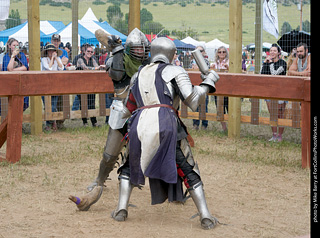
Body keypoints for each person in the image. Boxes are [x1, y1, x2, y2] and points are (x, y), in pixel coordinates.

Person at [110, 37, 220, 229]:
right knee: (187, 167)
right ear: (172, 54)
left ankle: (121, 208)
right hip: (166, 124)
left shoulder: (139, 73)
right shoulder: (175, 70)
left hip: (139, 124)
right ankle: (205, 215)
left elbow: (128, 107)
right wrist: (208, 82)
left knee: (129, 165)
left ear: (152, 52)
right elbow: (193, 100)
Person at [69, 28, 150, 211]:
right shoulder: (117, 59)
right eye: (136, 49)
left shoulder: (149, 64)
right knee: (109, 154)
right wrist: (117, 51)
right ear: (129, 49)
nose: (140, 52)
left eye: (142, 48)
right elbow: (117, 75)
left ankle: (162, 184)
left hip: (143, 110)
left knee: (148, 150)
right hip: (122, 109)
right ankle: (99, 179)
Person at [260, 43, 287, 142]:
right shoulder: (267, 62)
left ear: (278, 52)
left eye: (274, 51)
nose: (272, 52)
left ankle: (280, 135)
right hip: (269, 91)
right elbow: (262, 75)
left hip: (281, 91)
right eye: (271, 51)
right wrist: (265, 63)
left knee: (280, 113)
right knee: (272, 114)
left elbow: (275, 73)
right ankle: (274, 135)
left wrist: (269, 63)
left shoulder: (283, 63)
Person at [76, 45, 104, 127]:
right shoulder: (80, 59)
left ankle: (94, 122)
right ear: (84, 51)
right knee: (82, 103)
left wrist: (97, 67)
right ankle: (85, 122)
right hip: (80, 85)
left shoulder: (93, 59)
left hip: (91, 85)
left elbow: (96, 67)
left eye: (91, 52)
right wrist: (96, 68)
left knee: (92, 103)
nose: (90, 53)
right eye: (88, 51)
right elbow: (85, 68)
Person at [1, 38, 29, 115]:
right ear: (9, 46)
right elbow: (8, 68)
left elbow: (25, 67)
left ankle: (17, 122)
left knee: (23, 103)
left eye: (17, 45)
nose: (16, 47)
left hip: (21, 82)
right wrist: (13, 56)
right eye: (14, 45)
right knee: (11, 104)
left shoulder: (22, 55)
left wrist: (13, 70)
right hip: (9, 84)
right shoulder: (6, 57)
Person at [41, 44, 64, 131]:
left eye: (53, 51)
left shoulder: (58, 59)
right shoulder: (44, 60)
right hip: (45, 85)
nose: (51, 52)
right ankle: (48, 124)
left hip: (55, 84)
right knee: (47, 105)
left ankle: (52, 123)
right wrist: (52, 60)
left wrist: (56, 59)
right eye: (49, 51)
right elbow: (49, 68)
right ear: (47, 52)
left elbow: (61, 68)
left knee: (53, 106)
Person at [212, 46, 229, 132]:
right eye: (220, 52)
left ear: (226, 53)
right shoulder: (214, 63)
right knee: (219, 108)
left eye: (223, 52)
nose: (221, 53)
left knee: (229, 107)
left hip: (227, 88)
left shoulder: (229, 62)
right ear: (217, 53)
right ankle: (224, 128)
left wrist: (228, 68)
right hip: (217, 88)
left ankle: (232, 126)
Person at [192, 45, 210, 130]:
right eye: (197, 51)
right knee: (195, 105)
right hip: (194, 86)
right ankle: (195, 124)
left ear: (204, 52)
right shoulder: (192, 61)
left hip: (204, 86)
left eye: (201, 51)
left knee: (204, 106)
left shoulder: (206, 61)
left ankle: (204, 125)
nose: (199, 53)